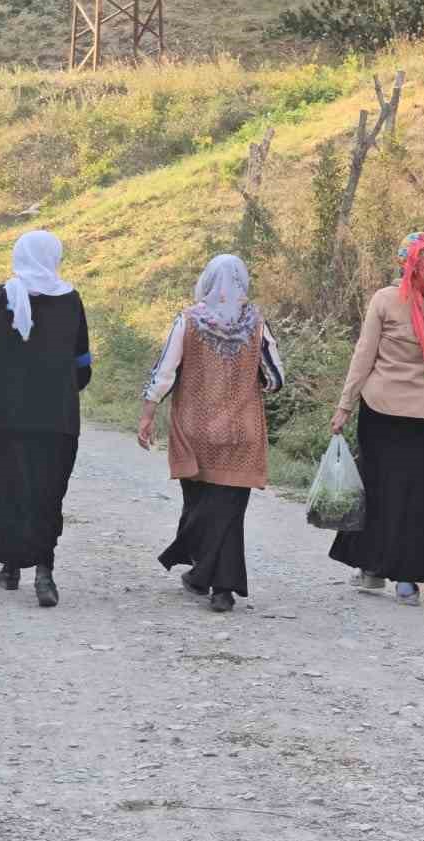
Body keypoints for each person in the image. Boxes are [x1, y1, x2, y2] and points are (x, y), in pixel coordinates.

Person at [137, 254, 285, 613]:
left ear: (206, 282)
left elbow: (165, 372)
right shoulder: (257, 325)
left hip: (196, 429)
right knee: (228, 511)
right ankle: (217, 586)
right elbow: (276, 378)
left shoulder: (188, 321)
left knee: (201, 504)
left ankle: (208, 577)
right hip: (242, 431)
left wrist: (148, 413)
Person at [328, 232, 424, 606]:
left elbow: (364, 358)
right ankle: (407, 582)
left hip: (381, 410)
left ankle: (372, 571)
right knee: (420, 495)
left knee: (378, 488)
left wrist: (344, 405)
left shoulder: (385, 301)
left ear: (401, 262)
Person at [0, 230, 92, 608]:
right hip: (58, 421)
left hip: (6, 418)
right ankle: (45, 572)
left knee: (9, 489)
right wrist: (59, 393)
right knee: (47, 494)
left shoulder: (0, 297)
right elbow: (82, 365)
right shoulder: (71, 300)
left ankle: (11, 567)